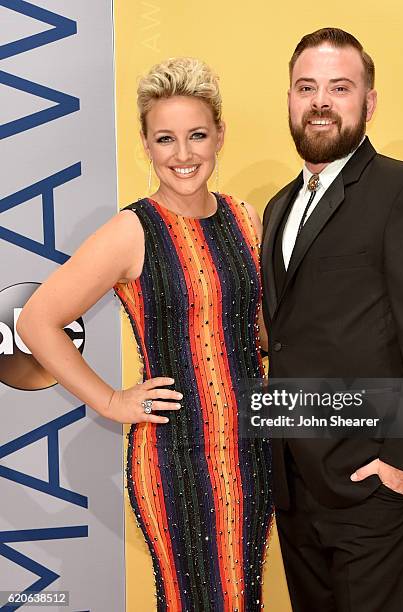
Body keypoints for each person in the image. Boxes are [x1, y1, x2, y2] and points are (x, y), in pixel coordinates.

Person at [18, 57, 272, 612]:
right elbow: (37, 321)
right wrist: (110, 400)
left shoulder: (245, 218)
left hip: (250, 454)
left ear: (220, 135)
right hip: (176, 455)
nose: (183, 155)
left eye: (197, 135)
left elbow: (258, 333)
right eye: (166, 139)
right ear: (146, 144)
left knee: (240, 597)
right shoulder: (130, 230)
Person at [261, 28, 403, 612]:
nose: (321, 101)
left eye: (340, 87)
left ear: (369, 102)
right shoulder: (280, 206)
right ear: (290, 99)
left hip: (374, 484)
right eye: (307, 87)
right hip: (295, 484)